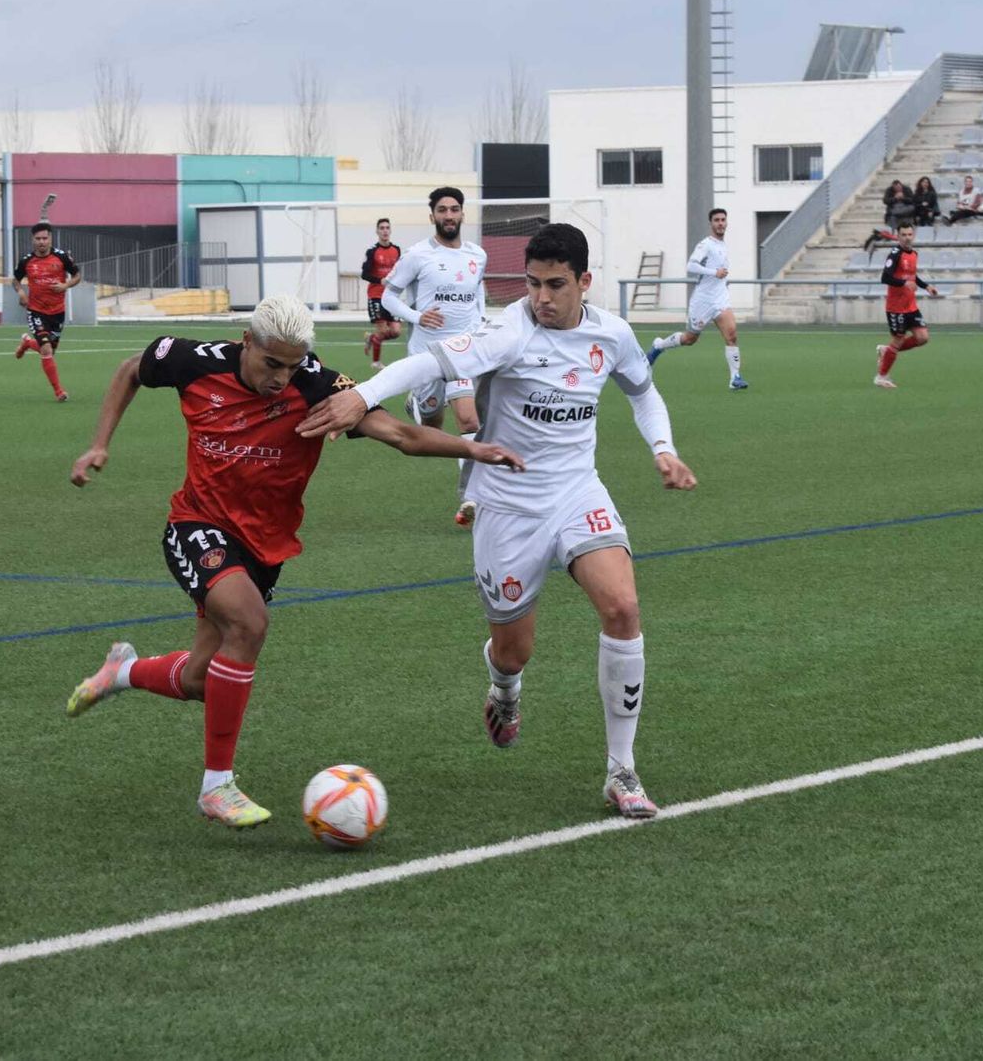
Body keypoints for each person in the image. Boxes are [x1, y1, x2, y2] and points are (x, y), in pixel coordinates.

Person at [63, 294, 525, 828]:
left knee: (198, 680)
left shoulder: (318, 386)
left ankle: (122, 671)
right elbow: (130, 370)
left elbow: (400, 434)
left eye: (293, 364)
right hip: (196, 525)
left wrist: (475, 448)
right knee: (249, 622)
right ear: (246, 344)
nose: (283, 377)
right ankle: (217, 787)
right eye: (271, 363)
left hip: (264, 547)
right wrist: (99, 444)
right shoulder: (192, 360)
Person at [298, 224, 697, 820]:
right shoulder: (506, 331)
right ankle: (505, 690)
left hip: (577, 491)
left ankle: (621, 769)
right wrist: (362, 394)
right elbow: (428, 365)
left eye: (556, 285)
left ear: (584, 282)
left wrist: (662, 447)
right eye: (533, 283)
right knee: (514, 650)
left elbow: (643, 392)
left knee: (622, 608)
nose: (542, 297)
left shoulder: (611, 334)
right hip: (508, 505)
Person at [380, 187, 490, 527]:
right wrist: (416, 316)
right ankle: (418, 404)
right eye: (442, 210)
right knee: (432, 425)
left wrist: (482, 323)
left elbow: (478, 291)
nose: (449, 215)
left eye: (454, 209)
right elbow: (388, 296)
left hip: (464, 351)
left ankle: (471, 495)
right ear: (432, 217)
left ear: (462, 214)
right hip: (428, 353)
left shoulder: (477, 255)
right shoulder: (417, 255)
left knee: (470, 422)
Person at [645, 207, 748, 390]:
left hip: (720, 298)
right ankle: (659, 346)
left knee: (731, 334)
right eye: (716, 220)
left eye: (723, 220)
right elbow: (691, 265)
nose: (720, 223)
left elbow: (720, 273)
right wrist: (714, 272)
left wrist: (722, 281)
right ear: (711, 224)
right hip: (703, 300)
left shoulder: (723, 245)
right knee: (690, 339)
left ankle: (735, 378)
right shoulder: (705, 245)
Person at [11, 222, 82, 402]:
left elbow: (77, 275)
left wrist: (65, 285)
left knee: (50, 349)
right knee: (46, 348)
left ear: (50, 238)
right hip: (36, 310)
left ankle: (27, 343)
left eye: (44, 238)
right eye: (38, 239)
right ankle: (59, 391)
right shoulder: (26, 260)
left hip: (57, 311)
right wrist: (21, 293)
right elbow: (16, 280)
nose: (41, 242)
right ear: (32, 240)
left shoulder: (61, 257)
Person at [873, 221, 939, 390]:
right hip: (896, 307)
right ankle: (881, 376)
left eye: (910, 234)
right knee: (898, 339)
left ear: (913, 235)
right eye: (904, 235)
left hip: (910, 305)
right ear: (898, 235)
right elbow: (885, 278)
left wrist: (926, 286)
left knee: (922, 338)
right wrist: (903, 283)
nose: (907, 238)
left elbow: (912, 276)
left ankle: (886, 351)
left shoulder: (914, 254)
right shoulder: (895, 254)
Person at [360, 218, 402, 371]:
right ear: (377, 231)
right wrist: (380, 280)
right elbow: (364, 274)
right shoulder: (372, 252)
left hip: (392, 296)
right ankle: (376, 363)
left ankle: (372, 338)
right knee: (383, 330)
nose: (385, 230)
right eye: (382, 228)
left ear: (390, 231)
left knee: (396, 331)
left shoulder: (396, 250)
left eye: (387, 228)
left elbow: (400, 270)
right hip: (376, 295)